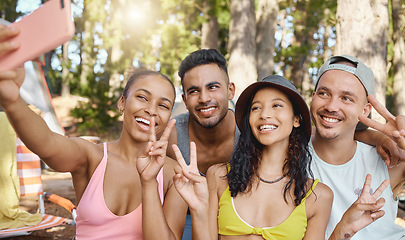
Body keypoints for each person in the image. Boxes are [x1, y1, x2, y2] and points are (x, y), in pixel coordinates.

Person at [0, 24, 186, 240]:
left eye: (163, 105)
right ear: (122, 103)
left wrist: (150, 183)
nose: (151, 110)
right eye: (142, 97)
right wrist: (13, 101)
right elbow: (47, 143)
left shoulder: (174, 174)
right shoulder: (92, 157)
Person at [309, 54, 405, 239]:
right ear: (313, 97)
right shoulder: (289, 153)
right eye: (324, 93)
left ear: (365, 110)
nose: (331, 105)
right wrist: (374, 136)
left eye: (346, 98)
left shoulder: (389, 159)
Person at [167, 48, 239, 239]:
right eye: (193, 91)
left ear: (230, 90)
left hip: (236, 221)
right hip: (186, 221)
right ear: (184, 99)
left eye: (213, 87)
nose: (204, 98)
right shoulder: (172, 136)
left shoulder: (249, 132)